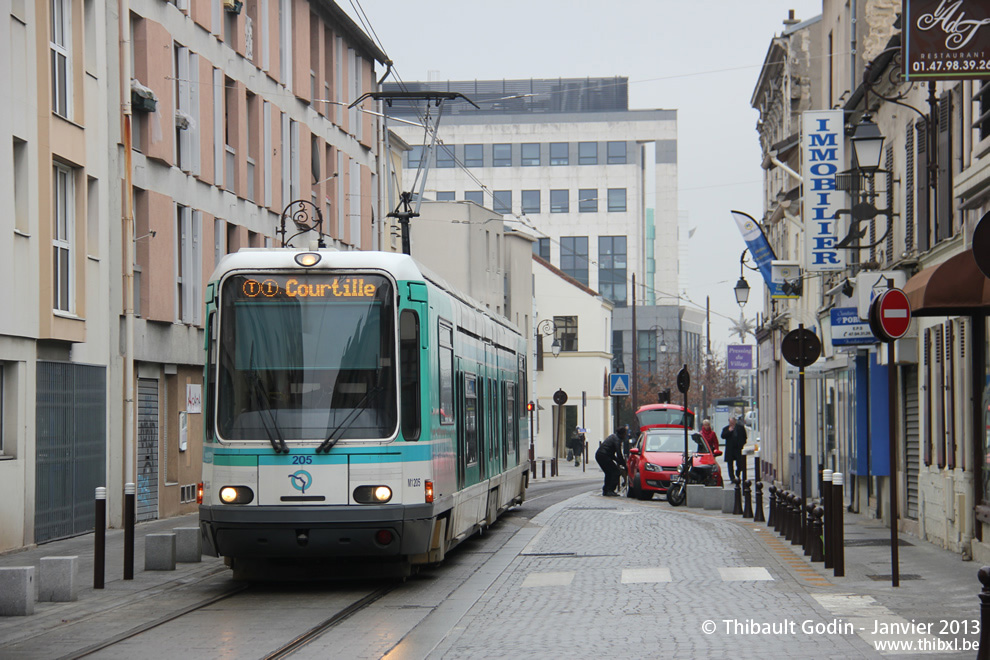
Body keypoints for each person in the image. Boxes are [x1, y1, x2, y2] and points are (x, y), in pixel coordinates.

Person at [595, 426, 627, 496]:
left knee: (609, 473)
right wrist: (624, 464)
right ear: (622, 434)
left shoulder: (613, 436)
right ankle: (610, 490)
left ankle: (606, 489)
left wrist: (619, 461)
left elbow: (612, 454)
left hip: (600, 455)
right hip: (604, 456)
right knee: (616, 472)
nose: (625, 436)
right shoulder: (617, 440)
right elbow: (619, 454)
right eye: (625, 434)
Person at [721, 416, 748, 483]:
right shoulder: (726, 428)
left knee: (739, 463)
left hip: (738, 449)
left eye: (733, 422)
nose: (732, 424)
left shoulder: (740, 428)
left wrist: (741, 444)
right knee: (730, 464)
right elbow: (723, 436)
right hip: (730, 449)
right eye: (730, 422)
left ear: (735, 422)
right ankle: (732, 478)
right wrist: (729, 431)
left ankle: (738, 473)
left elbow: (744, 437)